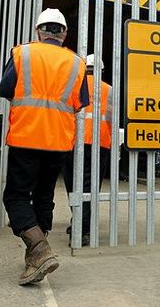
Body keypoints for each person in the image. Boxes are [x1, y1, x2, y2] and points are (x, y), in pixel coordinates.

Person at [0, 8, 88, 285]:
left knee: (15, 197)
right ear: (64, 33)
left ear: (39, 31)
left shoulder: (22, 53)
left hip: (26, 137)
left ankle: (39, 249)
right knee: (43, 196)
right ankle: (36, 256)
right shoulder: (76, 63)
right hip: (58, 141)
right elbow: (79, 102)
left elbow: (4, 88)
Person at [64, 54, 112, 247]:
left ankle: (79, 222)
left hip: (73, 143)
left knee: (74, 184)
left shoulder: (73, 86)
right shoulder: (109, 89)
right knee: (90, 187)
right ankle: (82, 228)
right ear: (101, 70)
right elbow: (112, 118)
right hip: (99, 144)